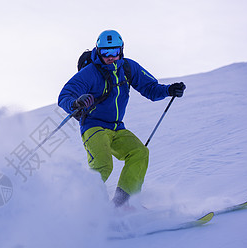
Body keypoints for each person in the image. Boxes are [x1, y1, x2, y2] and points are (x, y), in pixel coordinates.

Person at [58, 30, 186, 208]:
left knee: (139, 153)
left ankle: (123, 204)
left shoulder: (127, 67)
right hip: (93, 127)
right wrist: (75, 103)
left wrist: (168, 90)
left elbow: (150, 88)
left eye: (114, 51)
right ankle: (86, 209)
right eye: (105, 53)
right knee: (103, 164)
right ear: (98, 51)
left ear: (121, 50)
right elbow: (65, 95)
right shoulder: (89, 73)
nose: (110, 57)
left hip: (117, 128)